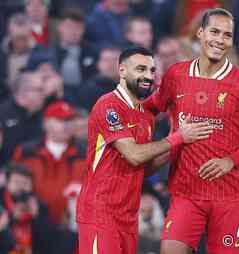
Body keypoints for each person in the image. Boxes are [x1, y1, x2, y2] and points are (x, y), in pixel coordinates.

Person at [144, 8, 239, 254]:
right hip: (186, 192)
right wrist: (120, 107)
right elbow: (150, 108)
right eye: (214, 32)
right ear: (199, 33)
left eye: (227, 35)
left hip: (229, 195)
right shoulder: (176, 74)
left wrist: (229, 161)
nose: (220, 40)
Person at [76, 46, 212, 254]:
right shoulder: (108, 106)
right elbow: (134, 154)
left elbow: (142, 167)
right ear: (122, 71)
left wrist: (179, 146)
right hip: (100, 212)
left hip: (129, 215)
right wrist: (177, 137)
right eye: (140, 69)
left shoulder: (146, 116)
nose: (148, 76)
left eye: (151, 70)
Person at [13, 101, 86, 226]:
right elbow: (13, 186)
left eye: (69, 120)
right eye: (60, 120)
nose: (66, 125)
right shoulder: (27, 152)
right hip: (33, 224)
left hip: (72, 227)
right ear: (46, 123)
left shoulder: (86, 153)